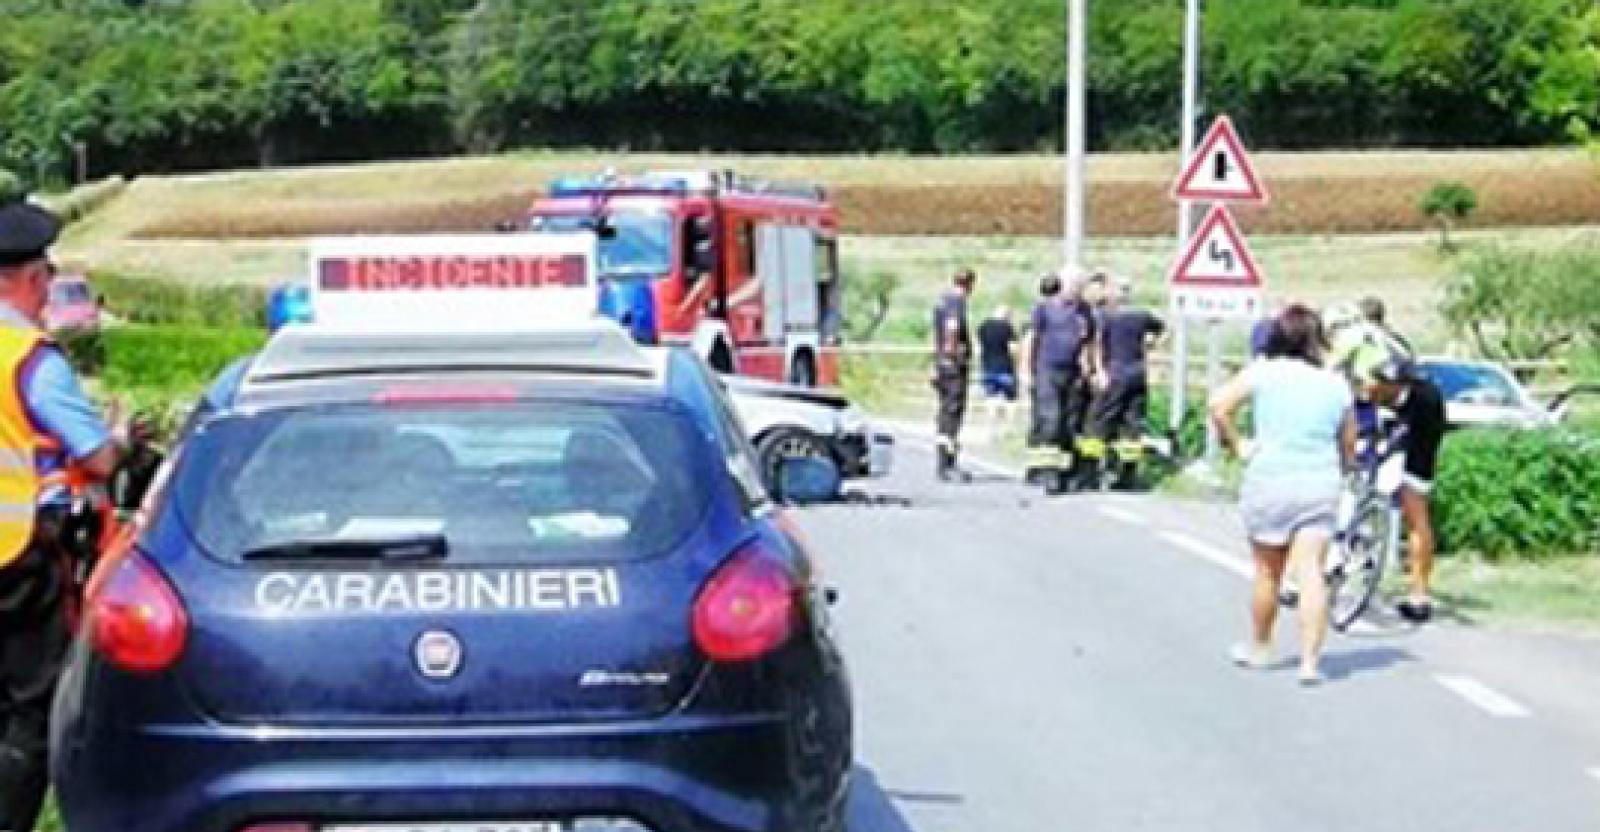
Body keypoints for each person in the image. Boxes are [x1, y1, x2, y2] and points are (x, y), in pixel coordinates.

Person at [0, 191, 119, 832]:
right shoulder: (31, 361)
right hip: (17, 561)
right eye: (45, 276)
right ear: (26, 278)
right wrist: (125, 441)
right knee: (31, 704)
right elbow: (98, 461)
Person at [1209, 305, 1355, 685]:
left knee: (1268, 571)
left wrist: (1238, 444)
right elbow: (1348, 441)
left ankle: (1260, 647)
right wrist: (1344, 467)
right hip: (1319, 482)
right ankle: (1310, 663)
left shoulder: (1264, 372)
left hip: (1271, 478)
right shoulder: (1335, 384)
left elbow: (1219, 406)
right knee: (1312, 573)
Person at [1347, 341, 1447, 624]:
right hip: (1381, 446)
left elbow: (1418, 444)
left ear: (1392, 384)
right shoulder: (1370, 396)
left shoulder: (1425, 399)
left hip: (1417, 454)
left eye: (1375, 383)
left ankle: (1419, 593)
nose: (1369, 388)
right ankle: (1355, 553)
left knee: (1416, 516)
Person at [1084, 276, 1165, 487]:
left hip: (1115, 375)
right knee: (1132, 426)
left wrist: (1099, 371)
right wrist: (1150, 347)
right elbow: (1162, 330)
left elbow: (1097, 344)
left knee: (1099, 424)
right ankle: (1128, 476)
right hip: (1137, 375)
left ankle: (1091, 471)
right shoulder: (1141, 316)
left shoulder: (1104, 317)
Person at [1021, 272, 1097, 495]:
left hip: (1073, 373)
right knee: (1050, 419)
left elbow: (1089, 341)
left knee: (1070, 422)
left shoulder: (1084, 311)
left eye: (1079, 287)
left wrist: (1090, 369)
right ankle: (1046, 472)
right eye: (1073, 286)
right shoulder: (1044, 309)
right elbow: (1031, 339)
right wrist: (1026, 370)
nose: (1076, 290)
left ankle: (1066, 471)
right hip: (1047, 370)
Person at [931, 268, 976, 481]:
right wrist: (953, 354)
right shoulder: (956, 302)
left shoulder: (942, 300)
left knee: (945, 413)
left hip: (942, 363)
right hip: (952, 367)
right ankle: (947, 464)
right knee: (952, 413)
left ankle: (944, 461)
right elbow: (952, 328)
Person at [976, 305, 1020, 437]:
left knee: (991, 398)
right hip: (1005, 368)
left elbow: (978, 348)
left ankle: (990, 429)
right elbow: (1013, 348)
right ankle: (1009, 429)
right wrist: (1017, 363)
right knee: (1010, 399)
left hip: (988, 367)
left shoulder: (983, 327)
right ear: (1007, 315)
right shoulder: (1007, 328)